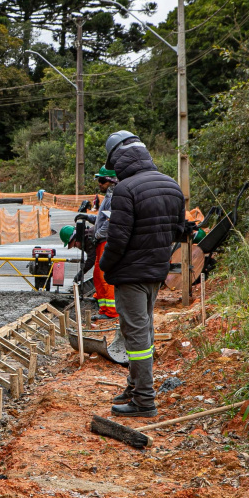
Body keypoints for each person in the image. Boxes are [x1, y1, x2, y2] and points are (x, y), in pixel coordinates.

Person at [99, 130, 185, 418]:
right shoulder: (171, 185)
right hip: (155, 273)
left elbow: (118, 239)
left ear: (118, 159)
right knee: (143, 329)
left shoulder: (125, 190)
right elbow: (179, 232)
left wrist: (105, 266)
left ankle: (144, 401)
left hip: (130, 275)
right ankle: (135, 387)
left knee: (135, 337)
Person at [90, 167, 119, 321]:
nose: (99, 184)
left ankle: (112, 311)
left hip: (106, 240)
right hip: (101, 240)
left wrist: (99, 233)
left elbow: (111, 220)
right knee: (97, 276)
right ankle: (104, 308)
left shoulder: (115, 197)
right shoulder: (108, 196)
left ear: (112, 181)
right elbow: (102, 217)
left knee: (105, 276)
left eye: (102, 181)